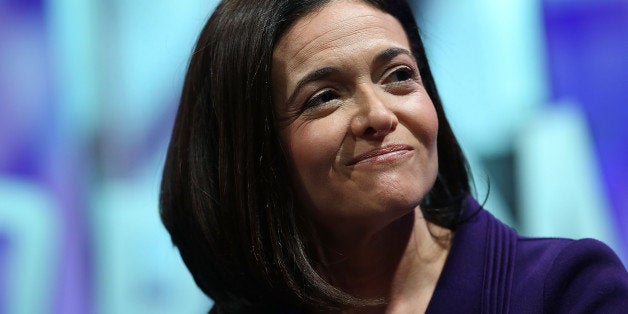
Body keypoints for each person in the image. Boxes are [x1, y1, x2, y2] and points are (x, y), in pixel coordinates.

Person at [159, 0, 628, 312]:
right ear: (251, 155)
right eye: (324, 97)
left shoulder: (568, 292)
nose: (379, 114)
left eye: (399, 75)